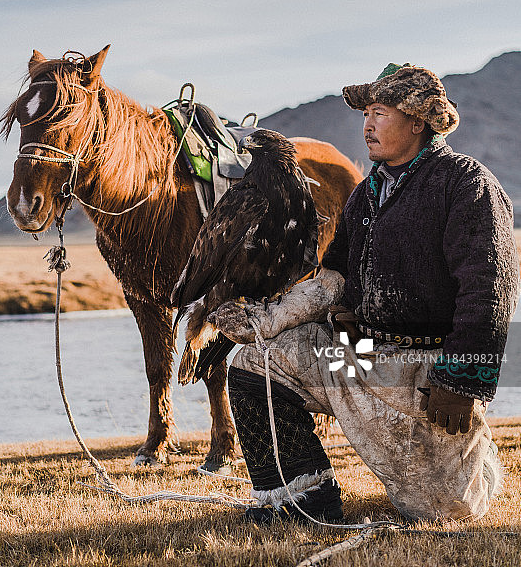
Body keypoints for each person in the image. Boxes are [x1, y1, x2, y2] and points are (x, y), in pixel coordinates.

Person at [209, 63, 520, 524]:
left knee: (444, 512)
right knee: (259, 361)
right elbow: (334, 276)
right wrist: (268, 321)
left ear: (418, 120)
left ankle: (466, 466)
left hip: (425, 369)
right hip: (369, 356)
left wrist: (463, 383)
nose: (368, 125)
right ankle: (303, 498)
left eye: (380, 112)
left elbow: (488, 289)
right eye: (365, 114)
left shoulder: (465, 185)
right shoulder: (367, 192)